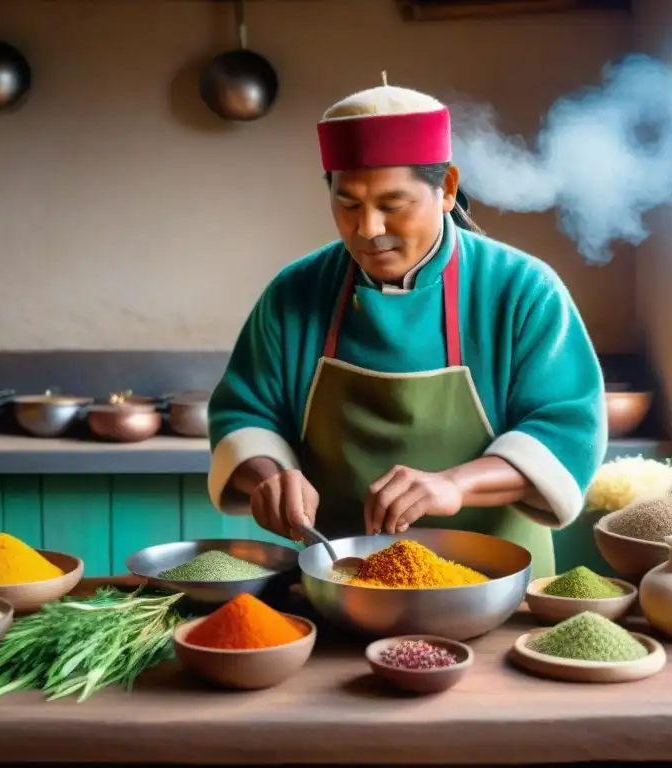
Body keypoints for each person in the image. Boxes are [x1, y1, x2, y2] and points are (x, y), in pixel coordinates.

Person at [206, 78, 607, 577]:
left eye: (393, 206)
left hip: (496, 584)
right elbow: (245, 413)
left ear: (448, 189)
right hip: (343, 579)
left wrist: (456, 484)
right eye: (347, 204)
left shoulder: (523, 290)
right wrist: (270, 475)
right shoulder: (296, 292)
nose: (369, 229)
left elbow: (566, 429)